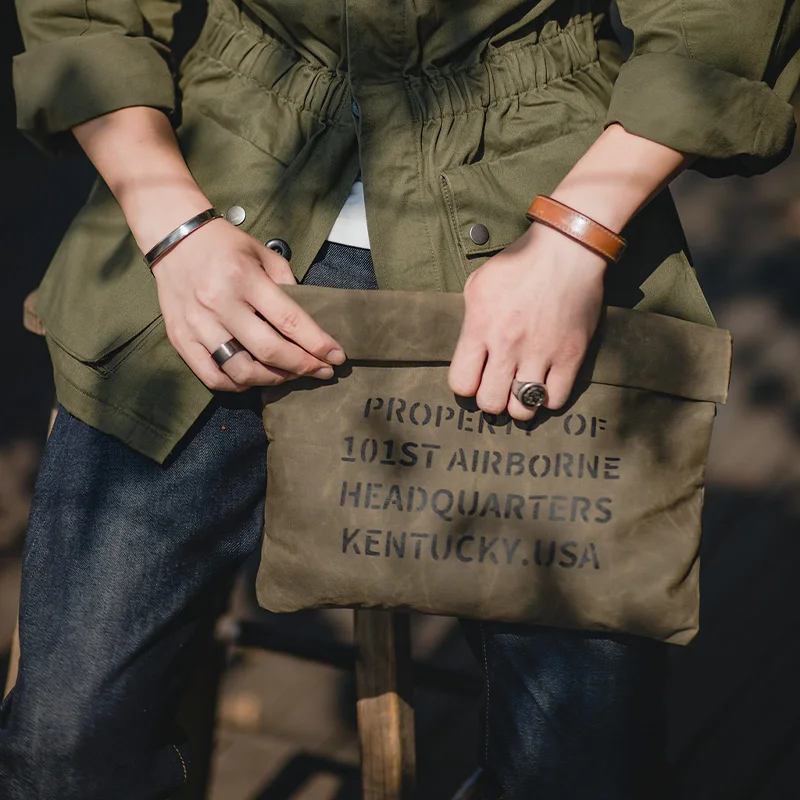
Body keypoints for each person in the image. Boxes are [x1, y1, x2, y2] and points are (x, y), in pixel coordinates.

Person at [2, 0, 798, 798]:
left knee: (582, 768)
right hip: (215, 204)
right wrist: (174, 229)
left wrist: (573, 239)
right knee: (62, 740)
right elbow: (82, 17)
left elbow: (722, 23)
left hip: (543, 217)